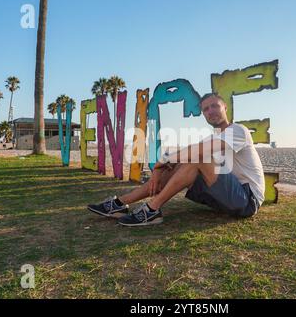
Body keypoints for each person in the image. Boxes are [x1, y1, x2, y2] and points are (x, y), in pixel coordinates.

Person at [87, 93, 265, 227]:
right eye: (206, 109)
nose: (210, 111)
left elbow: (198, 153)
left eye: (214, 106)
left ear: (225, 107)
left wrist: (162, 160)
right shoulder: (212, 138)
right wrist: (159, 168)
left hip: (247, 200)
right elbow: (184, 154)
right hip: (224, 199)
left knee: (196, 156)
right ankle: (119, 203)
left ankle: (152, 210)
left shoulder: (238, 130)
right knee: (180, 162)